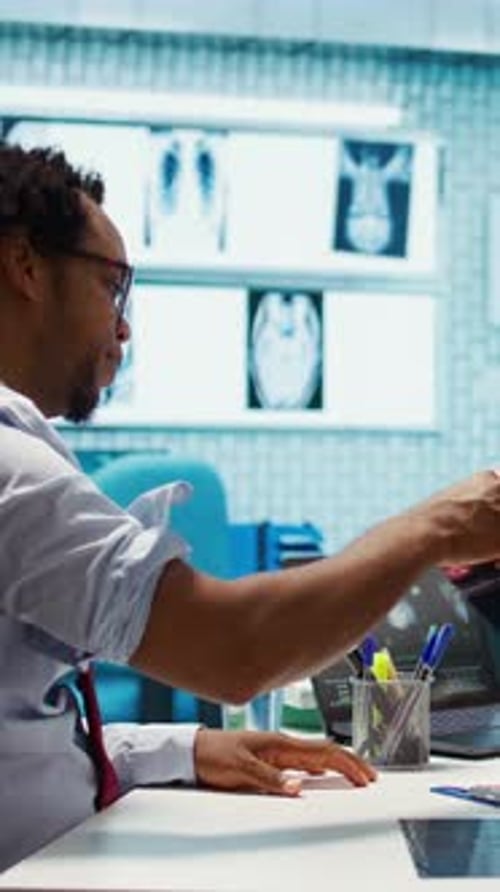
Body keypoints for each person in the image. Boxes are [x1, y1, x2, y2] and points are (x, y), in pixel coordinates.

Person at [1, 144, 500, 872]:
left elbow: (23, 728)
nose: (124, 325)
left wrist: (184, 747)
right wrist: (439, 526)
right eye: (112, 286)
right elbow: (233, 649)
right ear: (24, 267)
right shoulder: (12, 473)